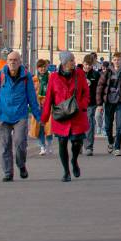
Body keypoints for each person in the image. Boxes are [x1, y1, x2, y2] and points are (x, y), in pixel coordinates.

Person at [0, 48, 39, 181]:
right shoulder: (1, 75)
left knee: (20, 143)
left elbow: (32, 98)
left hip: (20, 116)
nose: (12, 62)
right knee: (5, 145)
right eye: (10, 60)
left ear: (20, 62)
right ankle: (8, 173)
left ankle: (21, 165)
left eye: (15, 60)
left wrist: (38, 117)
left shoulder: (26, 77)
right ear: (6, 62)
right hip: (3, 116)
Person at [41, 50, 90, 182]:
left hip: (77, 115)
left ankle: (74, 160)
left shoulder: (79, 74)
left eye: (73, 60)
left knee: (76, 143)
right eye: (71, 60)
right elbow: (49, 98)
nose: (74, 62)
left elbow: (86, 92)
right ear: (64, 63)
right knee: (62, 143)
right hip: (61, 116)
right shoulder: (54, 77)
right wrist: (44, 118)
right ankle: (66, 172)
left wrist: (82, 105)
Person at [103, 50, 121, 155]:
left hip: (120, 101)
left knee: (120, 126)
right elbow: (101, 87)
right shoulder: (107, 73)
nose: (116, 62)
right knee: (107, 126)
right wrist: (100, 103)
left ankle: (117, 147)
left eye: (118, 60)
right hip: (109, 101)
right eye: (115, 60)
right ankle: (110, 141)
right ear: (112, 61)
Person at [81, 53, 103, 156]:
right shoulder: (78, 73)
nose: (88, 66)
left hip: (91, 103)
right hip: (78, 103)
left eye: (90, 65)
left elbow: (99, 89)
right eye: (86, 64)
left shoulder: (96, 75)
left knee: (89, 123)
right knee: (78, 125)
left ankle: (89, 146)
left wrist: (100, 103)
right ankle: (79, 144)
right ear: (83, 63)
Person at [33, 57, 52, 155]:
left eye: (44, 67)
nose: (42, 69)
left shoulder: (51, 78)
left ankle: (49, 144)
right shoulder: (34, 79)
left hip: (48, 105)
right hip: (37, 106)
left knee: (49, 126)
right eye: (40, 67)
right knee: (39, 127)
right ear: (37, 68)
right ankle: (42, 146)